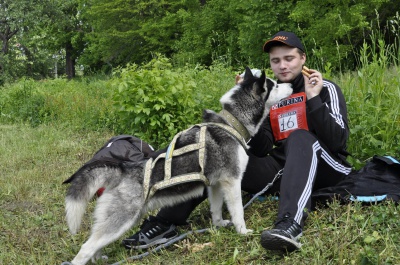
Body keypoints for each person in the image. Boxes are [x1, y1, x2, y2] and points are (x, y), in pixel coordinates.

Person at [122, 31, 352, 252]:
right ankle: (164, 222)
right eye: (275, 60)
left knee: (300, 138)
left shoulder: (324, 88)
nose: (282, 65)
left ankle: (289, 224)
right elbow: (262, 149)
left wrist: (313, 99)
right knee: (216, 152)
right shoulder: (273, 94)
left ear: (303, 58)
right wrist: (253, 105)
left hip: (326, 167)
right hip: (282, 171)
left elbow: (338, 142)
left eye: (289, 58)